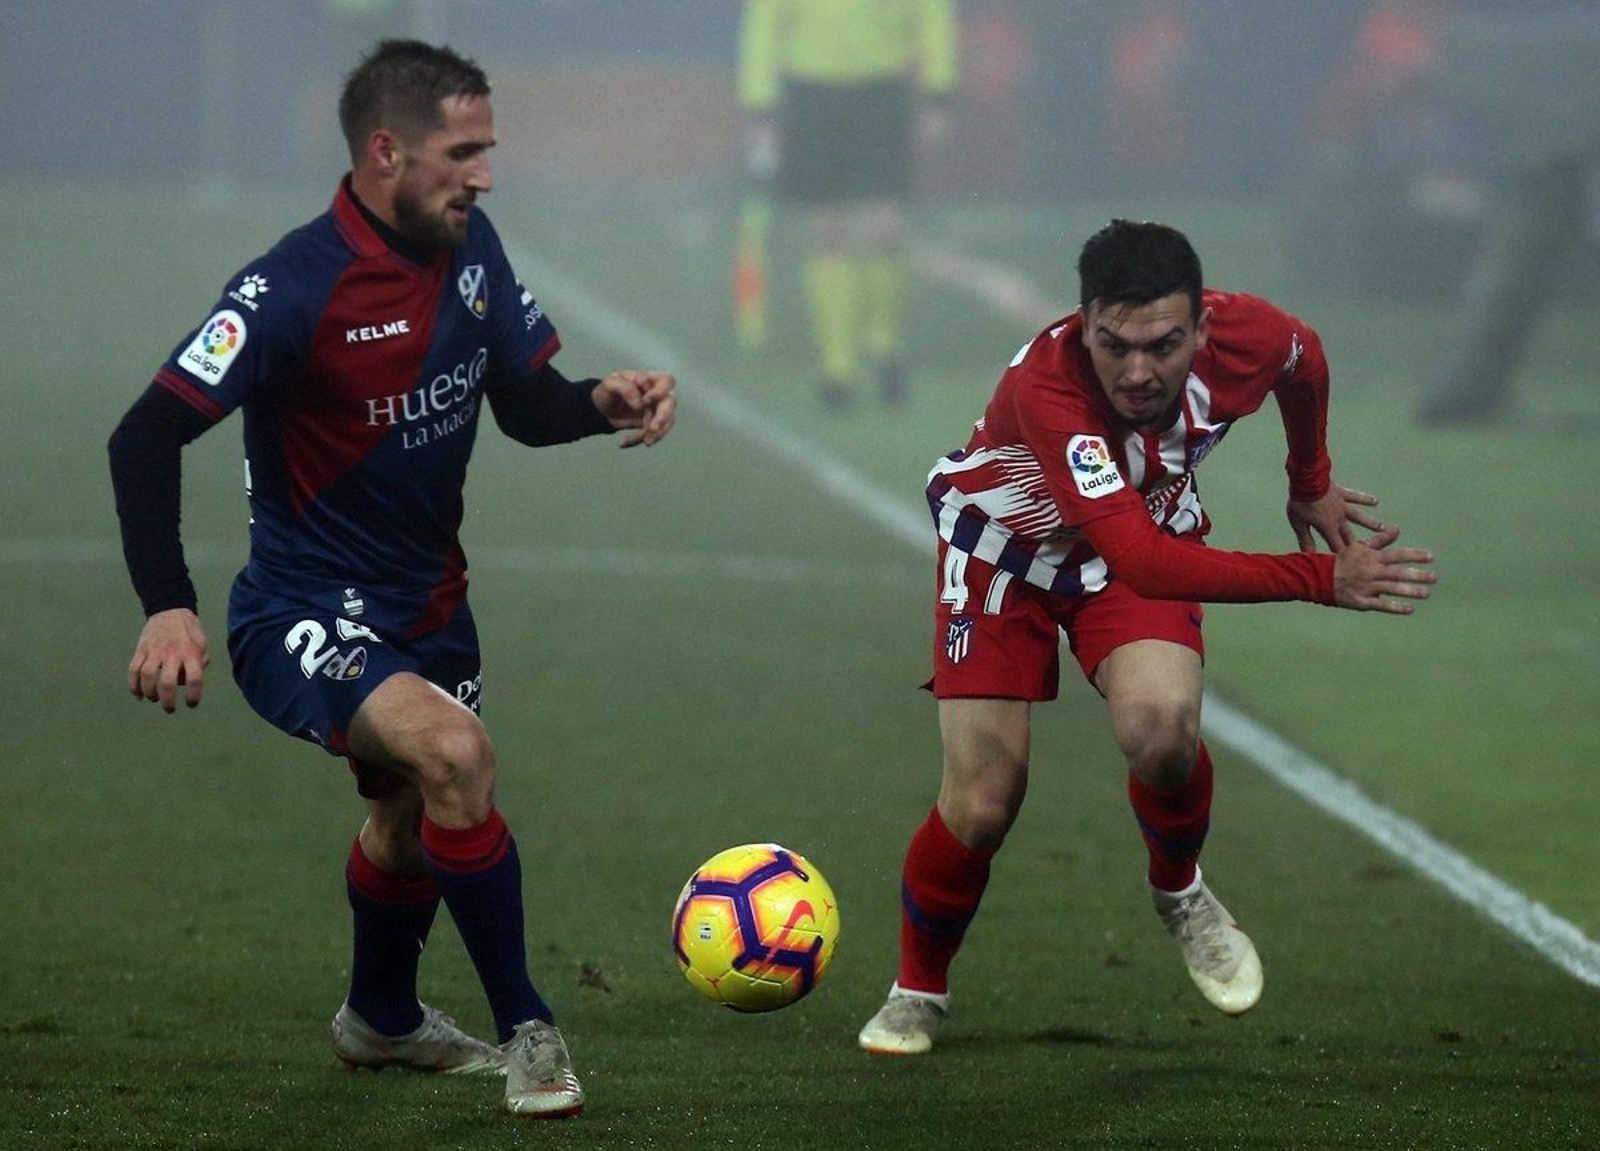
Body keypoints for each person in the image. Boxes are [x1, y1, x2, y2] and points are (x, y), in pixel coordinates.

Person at [106, 40, 677, 1117]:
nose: (485, 175)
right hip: (299, 612)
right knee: (456, 754)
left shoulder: (472, 246)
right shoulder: (289, 289)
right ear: (384, 152)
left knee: (414, 818)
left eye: (488, 150)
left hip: (430, 611)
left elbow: (523, 401)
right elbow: (144, 436)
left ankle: (379, 1017)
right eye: (463, 152)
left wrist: (599, 400)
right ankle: (529, 1030)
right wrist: (167, 603)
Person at [857, 220, 1436, 1055]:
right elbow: (1145, 562)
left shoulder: (1252, 336)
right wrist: (1320, 578)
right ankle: (918, 987)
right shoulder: (1048, 390)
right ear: (1082, 322)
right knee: (984, 801)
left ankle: (1181, 891)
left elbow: (1302, 358)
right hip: (1005, 552)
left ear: (1204, 328)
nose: (1137, 371)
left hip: (1138, 536)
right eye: (1112, 344)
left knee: (1162, 731)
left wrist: (1309, 479)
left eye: (1163, 345)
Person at [738, 0, 957, 412]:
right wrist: (759, 103)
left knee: (885, 226)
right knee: (825, 230)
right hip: (812, 96)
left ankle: (884, 345)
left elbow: (932, 14)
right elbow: (764, 23)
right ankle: (837, 367)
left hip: (882, 94)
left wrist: (938, 90)